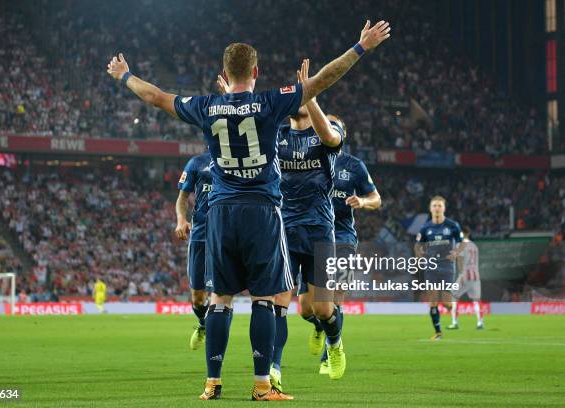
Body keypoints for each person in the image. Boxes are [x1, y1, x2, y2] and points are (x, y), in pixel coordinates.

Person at [107, 19, 391, 400]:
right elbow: (323, 79)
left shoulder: (207, 106)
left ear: (225, 74)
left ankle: (212, 383)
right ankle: (262, 385)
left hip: (221, 212)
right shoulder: (272, 102)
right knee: (265, 300)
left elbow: (157, 96)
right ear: (256, 72)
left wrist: (125, 76)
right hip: (263, 212)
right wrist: (360, 48)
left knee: (220, 300)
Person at [271, 59, 344, 389]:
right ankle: (273, 368)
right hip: (284, 228)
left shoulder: (328, 130)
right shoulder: (278, 136)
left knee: (323, 307)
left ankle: (334, 343)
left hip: (319, 229)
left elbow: (329, 137)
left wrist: (309, 92)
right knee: (279, 304)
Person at [315, 119, 381, 374]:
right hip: (315, 235)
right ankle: (322, 329)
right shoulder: (309, 159)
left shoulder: (354, 166)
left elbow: (377, 199)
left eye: (333, 124)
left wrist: (363, 202)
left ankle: (328, 355)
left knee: (335, 298)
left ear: (342, 133)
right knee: (313, 307)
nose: (327, 126)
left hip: (342, 236)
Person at [175, 152, 213, 350]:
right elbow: (182, 198)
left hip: (225, 237)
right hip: (199, 235)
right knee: (198, 299)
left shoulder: (238, 161)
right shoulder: (197, 163)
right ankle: (203, 324)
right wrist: (181, 220)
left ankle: (216, 356)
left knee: (220, 296)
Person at [415, 196, 466, 340]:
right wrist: (420, 256)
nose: (437, 208)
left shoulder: (452, 225)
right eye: (434, 206)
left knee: (446, 302)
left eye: (439, 206)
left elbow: (462, 243)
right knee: (433, 301)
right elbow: (418, 245)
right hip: (431, 267)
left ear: (444, 208)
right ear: (431, 208)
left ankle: (452, 308)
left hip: (447, 267)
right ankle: (438, 332)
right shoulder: (426, 228)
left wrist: (456, 252)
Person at [449, 226, 484, 330]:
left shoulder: (461, 245)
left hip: (465, 275)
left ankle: (455, 323)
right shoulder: (474, 246)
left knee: (453, 296)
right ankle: (480, 323)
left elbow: (460, 260)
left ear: (463, 234)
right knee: (476, 300)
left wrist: (461, 274)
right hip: (476, 276)